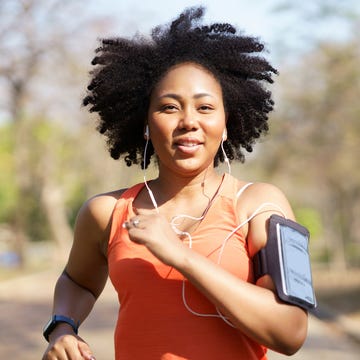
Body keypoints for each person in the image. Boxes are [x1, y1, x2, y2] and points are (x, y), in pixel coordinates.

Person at [42, 6, 308, 360]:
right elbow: (77, 281)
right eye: (169, 108)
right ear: (146, 125)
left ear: (227, 123)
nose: (188, 122)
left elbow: (290, 332)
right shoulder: (106, 213)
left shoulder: (258, 206)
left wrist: (181, 256)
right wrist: (62, 326)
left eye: (205, 108)